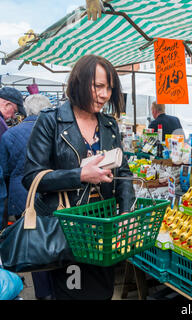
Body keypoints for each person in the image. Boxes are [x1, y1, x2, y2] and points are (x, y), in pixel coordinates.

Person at [22, 55, 135, 300]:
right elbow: (30, 177)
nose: (105, 94)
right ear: (79, 82)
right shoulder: (51, 120)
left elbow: (124, 174)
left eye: (109, 88)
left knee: (103, 291)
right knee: (74, 292)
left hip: (103, 229)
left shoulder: (108, 125)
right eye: (98, 86)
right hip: (67, 232)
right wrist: (80, 175)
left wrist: (126, 212)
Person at [0, 94, 54, 299]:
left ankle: (42, 291)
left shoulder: (10, 135)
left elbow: (4, 170)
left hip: (21, 196)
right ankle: (56, 286)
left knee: (32, 243)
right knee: (51, 238)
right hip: (49, 193)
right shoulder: (53, 133)